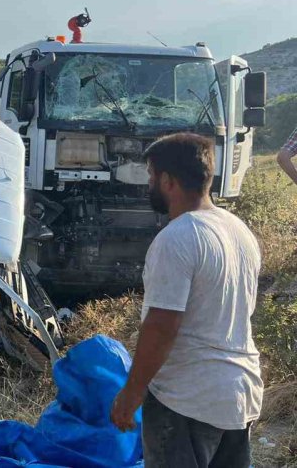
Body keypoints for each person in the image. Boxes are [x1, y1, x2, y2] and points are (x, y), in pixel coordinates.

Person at [110, 133, 262, 468]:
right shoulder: (239, 231)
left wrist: (132, 393)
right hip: (239, 396)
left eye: (151, 176)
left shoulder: (177, 238)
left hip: (187, 399)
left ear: (168, 181)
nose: (149, 184)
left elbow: (163, 326)